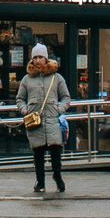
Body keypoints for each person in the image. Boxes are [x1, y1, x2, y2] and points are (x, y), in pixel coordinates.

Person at [15, 44, 70, 194]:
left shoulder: (57, 78)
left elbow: (66, 97)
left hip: (53, 121)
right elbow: (20, 99)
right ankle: (40, 182)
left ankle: (58, 177)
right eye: (35, 57)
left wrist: (60, 109)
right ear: (32, 60)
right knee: (38, 153)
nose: (38, 60)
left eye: (41, 57)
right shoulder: (27, 79)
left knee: (56, 151)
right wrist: (25, 110)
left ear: (46, 58)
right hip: (35, 122)